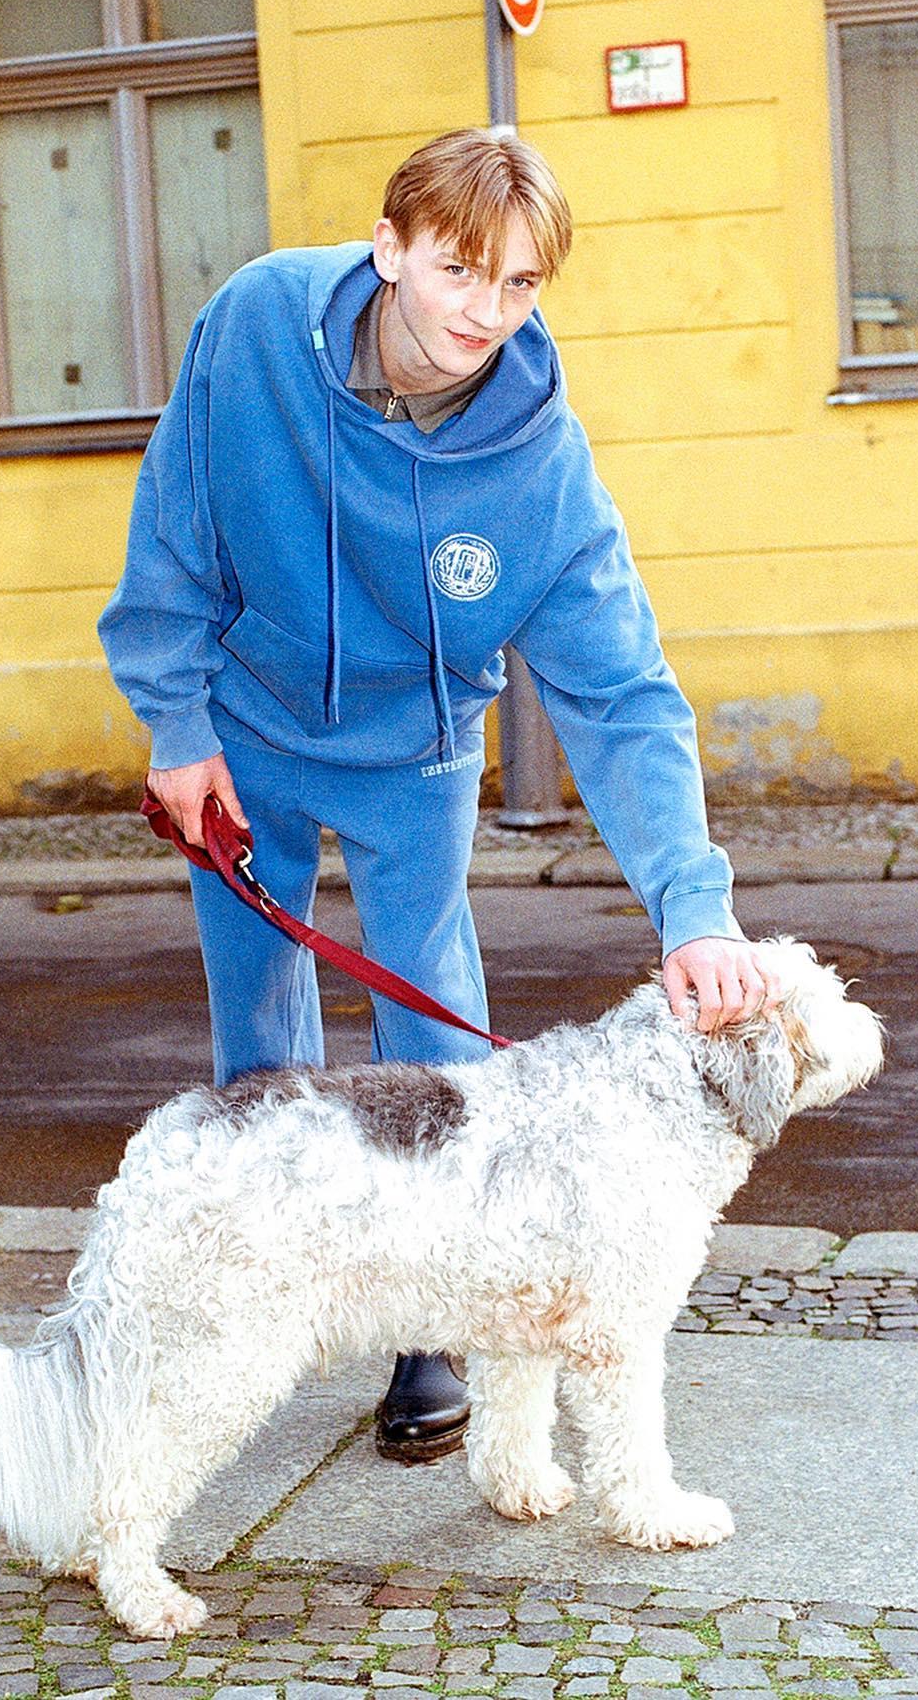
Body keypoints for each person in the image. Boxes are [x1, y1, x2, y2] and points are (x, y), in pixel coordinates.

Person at [98, 127, 784, 1463]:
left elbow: (625, 697)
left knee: (437, 1019)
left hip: (414, 759)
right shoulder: (253, 329)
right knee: (261, 1033)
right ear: (391, 247)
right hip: (243, 738)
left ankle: (432, 1319)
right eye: (463, 270)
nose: (486, 312)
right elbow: (173, 524)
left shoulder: (541, 470)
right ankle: (271, 1279)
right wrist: (178, 728)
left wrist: (694, 909)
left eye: (521, 285)